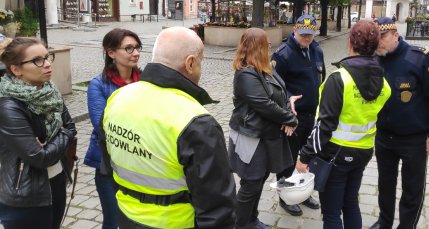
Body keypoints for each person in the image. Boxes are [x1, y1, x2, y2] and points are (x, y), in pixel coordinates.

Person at [99, 27, 236, 228]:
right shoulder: (197, 121)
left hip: (126, 216)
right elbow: (217, 208)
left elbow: (108, 163)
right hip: (176, 223)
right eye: (200, 62)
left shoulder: (118, 99)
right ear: (190, 63)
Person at [296, 20, 391, 228]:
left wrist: (304, 156)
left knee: (331, 212)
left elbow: (324, 126)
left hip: (335, 154)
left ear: (351, 43)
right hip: (364, 151)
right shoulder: (384, 83)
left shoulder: (340, 79)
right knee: (350, 203)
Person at [370, 17, 429, 229]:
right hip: (384, 136)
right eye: (375, 38)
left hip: (414, 138)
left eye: (383, 37)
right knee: (385, 184)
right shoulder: (374, 60)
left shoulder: (420, 58)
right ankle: (384, 222)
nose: (379, 42)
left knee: (412, 189)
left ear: (395, 35)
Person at [0, 37, 77, 229]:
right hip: (26, 194)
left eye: (47, 56)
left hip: (57, 181)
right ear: (16, 69)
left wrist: (59, 136)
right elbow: (40, 158)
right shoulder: (9, 106)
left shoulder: (49, 91)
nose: (47, 64)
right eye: (37, 60)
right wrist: (62, 134)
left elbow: (70, 127)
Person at [228, 27, 298, 229]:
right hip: (251, 135)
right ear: (257, 47)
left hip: (267, 135)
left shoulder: (266, 68)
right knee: (251, 183)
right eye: (266, 44)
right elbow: (263, 104)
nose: (270, 47)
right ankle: (240, 225)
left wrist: (287, 113)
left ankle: (252, 220)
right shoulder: (245, 74)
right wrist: (291, 120)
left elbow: (281, 94)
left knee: (260, 180)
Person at [85, 28, 142, 229]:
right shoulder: (98, 85)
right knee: (113, 220)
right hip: (109, 163)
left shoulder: (147, 80)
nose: (135, 53)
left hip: (142, 162)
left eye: (137, 47)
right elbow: (102, 125)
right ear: (111, 53)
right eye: (128, 48)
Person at [271, 13, 325, 216]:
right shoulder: (282, 54)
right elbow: (274, 87)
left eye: (310, 35)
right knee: (288, 158)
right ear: (295, 30)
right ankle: (286, 195)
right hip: (292, 118)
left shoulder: (317, 50)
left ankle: (302, 192)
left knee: (306, 156)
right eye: (303, 35)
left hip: (311, 115)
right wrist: (286, 112)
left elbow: (322, 77)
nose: (307, 39)